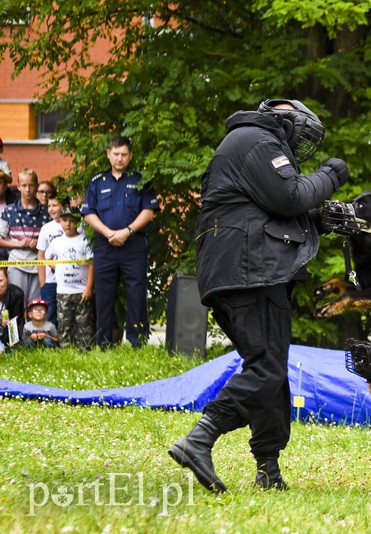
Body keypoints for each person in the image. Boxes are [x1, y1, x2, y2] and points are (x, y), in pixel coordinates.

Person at [168, 98, 348, 494]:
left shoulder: (248, 144)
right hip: (250, 270)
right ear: (285, 122)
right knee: (267, 369)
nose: (302, 145)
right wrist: (332, 174)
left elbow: (271, 209)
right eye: (301, 135)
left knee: (267, 369)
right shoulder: (256, 140)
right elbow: (289, 198)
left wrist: (320, 220)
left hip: (238, 270)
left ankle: (269, 468)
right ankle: (201, 438)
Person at [81, 136, 160, 348]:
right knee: (104, 297)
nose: (119, 158)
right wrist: (108, 233)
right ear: (108, 154)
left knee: (136, 295)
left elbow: (149, 210)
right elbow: (88, 213)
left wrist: (127, 231)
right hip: (105, 247)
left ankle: (137, 343)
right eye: (115, 154)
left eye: (124, 154)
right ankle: (103, 344)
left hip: (133, 245)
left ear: (130, 156)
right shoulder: (97, 182)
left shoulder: (141, 179)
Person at [45, 206, 94, 348]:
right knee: (64, 325)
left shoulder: (85, 241)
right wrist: (56, 267)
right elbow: (46, 258)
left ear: (78, 222)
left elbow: (92, 265)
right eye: (65, 220)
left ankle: (84, 352)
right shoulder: (56, 242)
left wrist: (89, 289)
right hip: (63, 291)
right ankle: (66, 351)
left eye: (72, 221)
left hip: (81, 291)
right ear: (60, 221)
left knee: (84, 325)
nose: (68, 224)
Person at [0, 168, 51, 304]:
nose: (28, 189)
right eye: (24, 185)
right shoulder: (9, 211)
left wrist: (39, 242)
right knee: (16, 304)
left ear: (36, 186)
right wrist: (19, 243)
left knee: (36, 305)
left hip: (38, 265)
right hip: (16, 263)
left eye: (31, 185)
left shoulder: (46, 212)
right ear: (18, 187)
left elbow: (53, 240)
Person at [36, 196, 67, 326]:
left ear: (63, 207)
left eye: (54, 205)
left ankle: (67, 343)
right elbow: (41, 255)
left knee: (66, 312)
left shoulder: (75, 225)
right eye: (49, 206)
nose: (51, 209)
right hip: (50, 280)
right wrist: (42, 281)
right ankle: (50, 343)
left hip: (69, 280)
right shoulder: (46, 228)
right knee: (50, 314)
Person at [0, 267, 25, 350]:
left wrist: (9, 323)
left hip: (8, 332)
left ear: (7, 279)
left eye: (0, 281)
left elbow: (18, 320)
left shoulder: (17, 294)